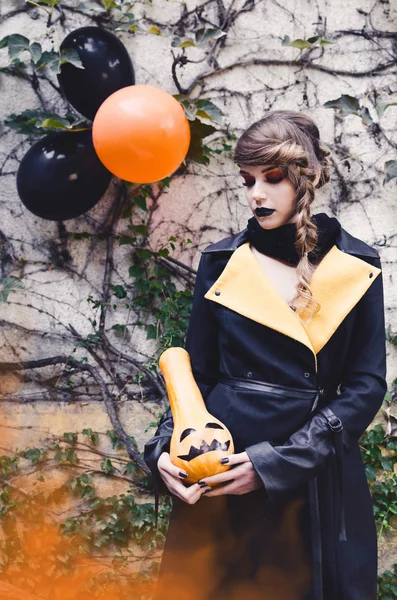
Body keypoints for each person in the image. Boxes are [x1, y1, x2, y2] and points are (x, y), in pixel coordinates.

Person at [144, 110, 387, 600]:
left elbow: (365, 387)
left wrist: (275, 465)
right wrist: (164, 452)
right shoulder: (220, 261)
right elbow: (197, 377)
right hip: (221, 472)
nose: (256, 193)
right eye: (247, 179)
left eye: (272, 178)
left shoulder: (356, 265)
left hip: (311, 478)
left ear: (308, 178)